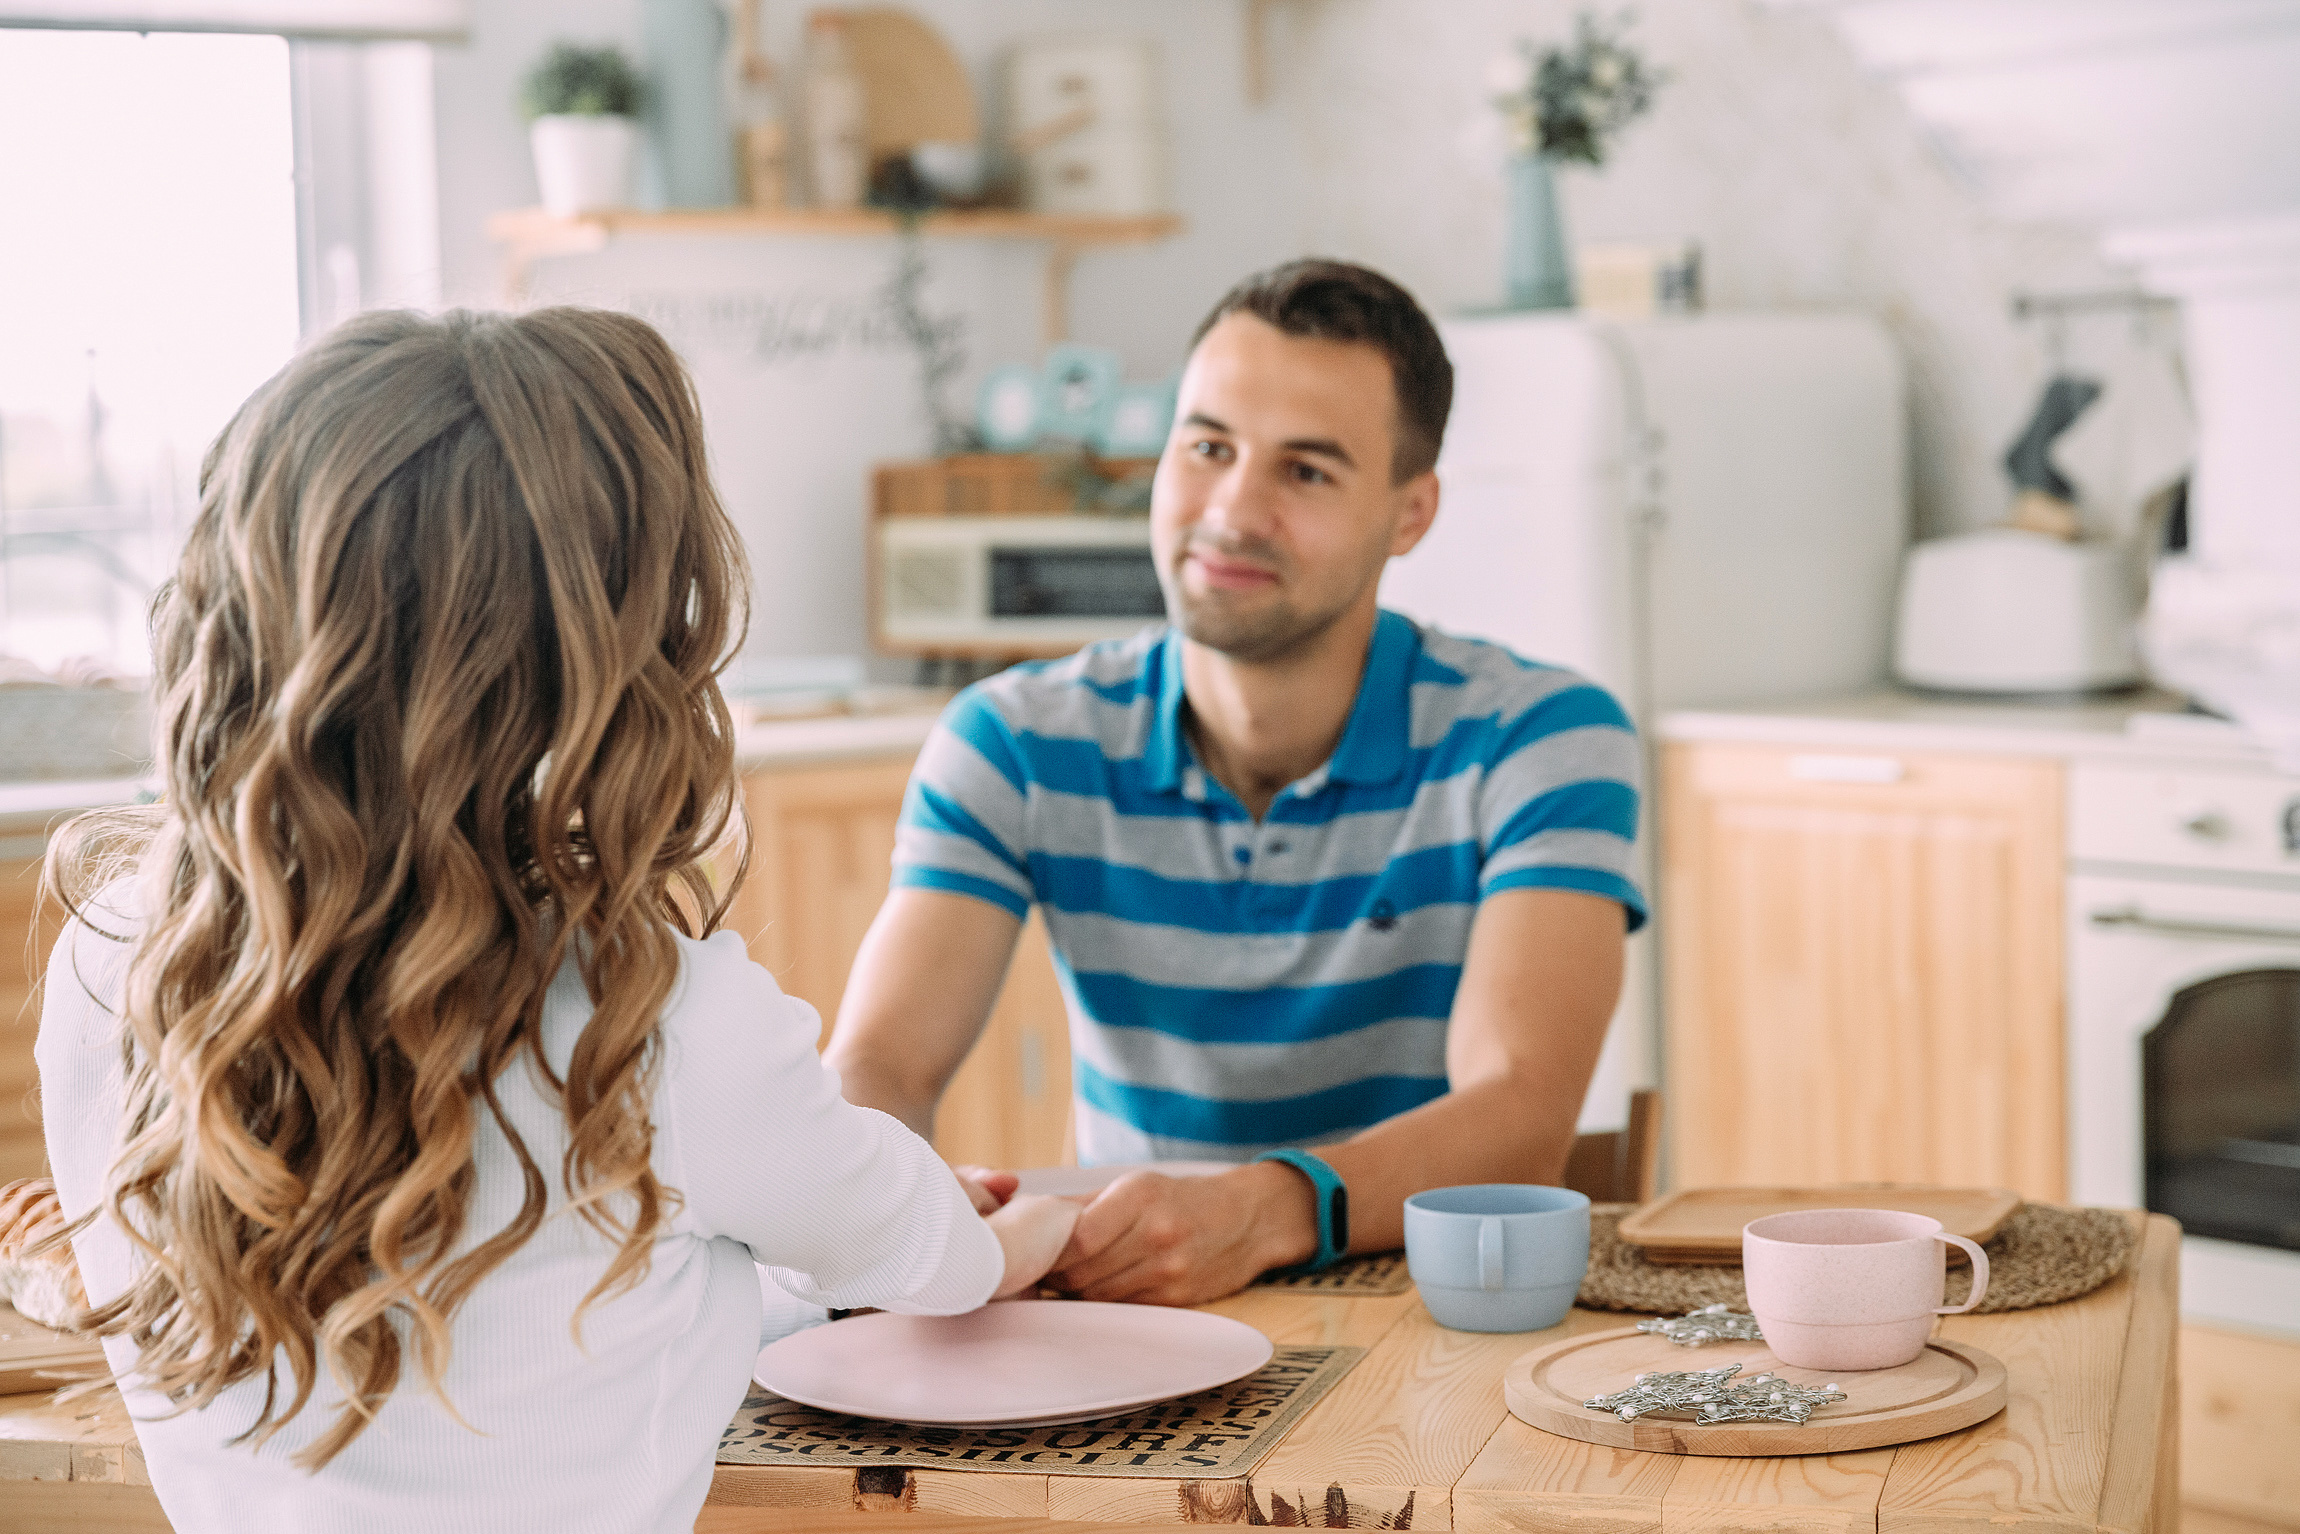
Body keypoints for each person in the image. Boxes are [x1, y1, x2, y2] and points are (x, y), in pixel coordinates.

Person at [35, 308, 1079, 1534]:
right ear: (609, 654)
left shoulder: (111, 963)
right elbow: (926, 1259)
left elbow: (515, 1308)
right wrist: (1026, 1229)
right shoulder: (658, 1019)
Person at [826, 259, 1646, 1307]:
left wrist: (1257, 1212)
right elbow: (878, 1065)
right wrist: (893, 1195)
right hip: (1138, 1315)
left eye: (1304, 472)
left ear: (1409, 514)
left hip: (1433, 1315)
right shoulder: (1011, 740)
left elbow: (1522, 1113)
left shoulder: (1540, 736)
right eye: (1206, 447)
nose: (1231, 509)